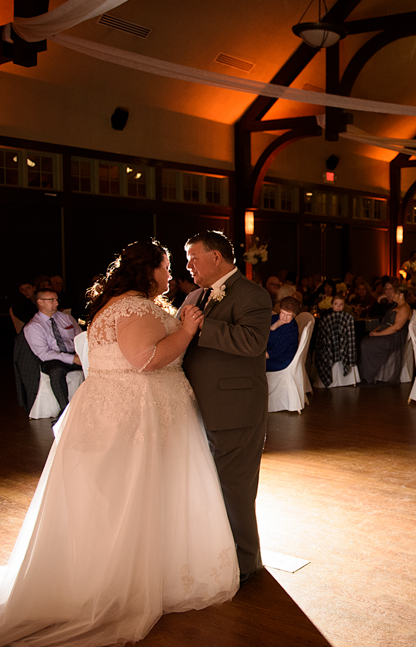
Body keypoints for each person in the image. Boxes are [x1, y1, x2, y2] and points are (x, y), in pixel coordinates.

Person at [0, 240, 237, 647]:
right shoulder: (136, 307)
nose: (170, 272)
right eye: (166, 264)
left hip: (112, 409)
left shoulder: (121, 304)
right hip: (136, 412)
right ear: (150, 270)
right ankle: (120, 581)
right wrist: (189, 329)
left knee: (112, 496)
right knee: (135, 494)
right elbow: (145, 359)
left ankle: (103, 571)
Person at [180, 230, 273, 585]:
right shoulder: (193, 295)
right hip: (198, 405)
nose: (188, 266)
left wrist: (201, 326)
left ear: (216, 257)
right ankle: (218, 554)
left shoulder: (252, 294)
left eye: (193, 258)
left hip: (236, 407)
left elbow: (253, 342)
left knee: (235, 488)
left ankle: (246, 563)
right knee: (210, 486)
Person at [23, 288, 83, 409]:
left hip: (73, 354)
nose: (56, 303)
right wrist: (72, 359)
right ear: (40, 302)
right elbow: (44, 354)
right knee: (56, 370)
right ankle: (64, 409)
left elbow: (79, 336)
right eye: (52, 300)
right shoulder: (34, 326)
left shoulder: (66, 318)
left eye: (56, 299)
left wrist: (80, 354)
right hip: (52, 358)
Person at [359, 284, 413, 384]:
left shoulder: (404, 308)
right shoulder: (396, 305)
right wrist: (376, 330)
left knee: (366, 344)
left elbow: (396, 327)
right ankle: (368, 374)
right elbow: (386, 322)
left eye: (394, 293)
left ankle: (369, 375)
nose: (391, 295)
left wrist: (377, 334)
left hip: (395, 337)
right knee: (364, 341)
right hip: (388, 334)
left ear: (400, 295)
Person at [314, 294, 358, 387]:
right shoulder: (326, 319)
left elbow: (351, 338)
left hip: (344, 346)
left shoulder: (348, 318)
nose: (338, 307)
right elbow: (321, 337)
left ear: (344, 305)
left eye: (341, 304)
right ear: (332, 304)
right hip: (330, 347)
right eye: (336, 304)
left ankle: (346, 378)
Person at [265, 295, 300, 372]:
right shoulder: (274, 318)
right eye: (283, 313)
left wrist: (258, 357)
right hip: (268, 353)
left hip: (281, 360)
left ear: (294, 315)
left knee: (252, 363)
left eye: (288, 315)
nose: (284, 317)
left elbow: (275, 352)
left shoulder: (291, 329)